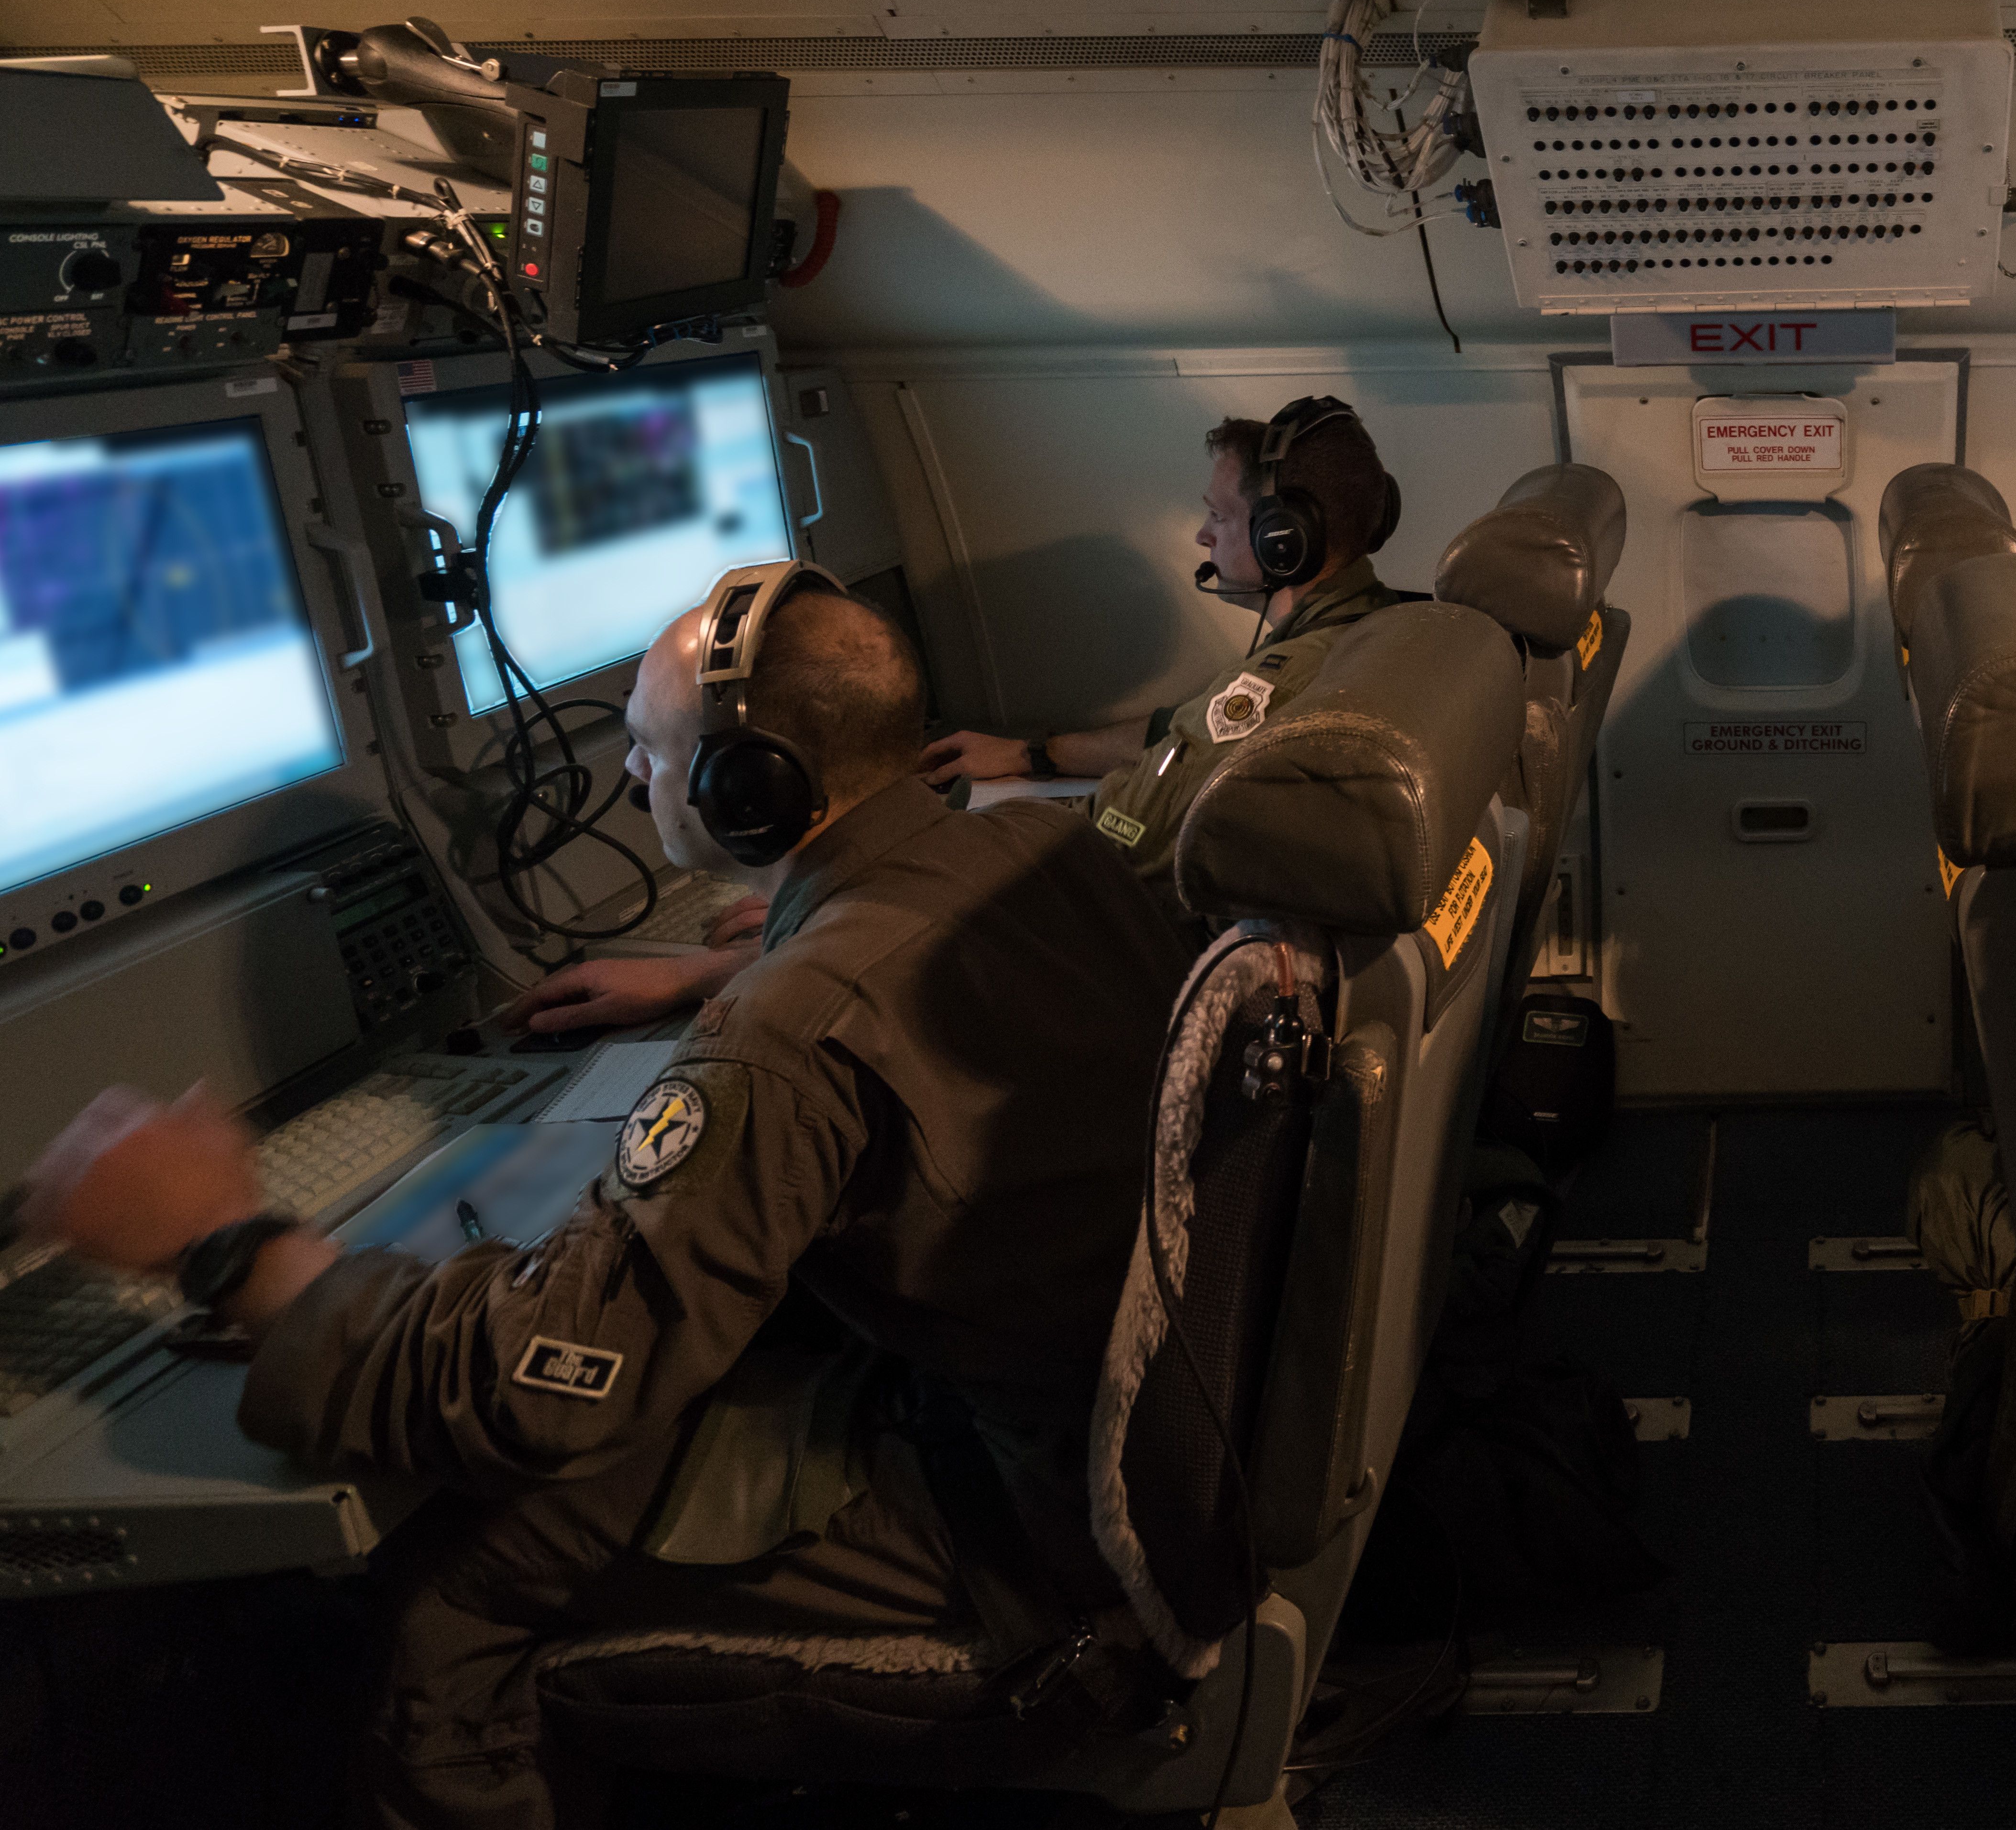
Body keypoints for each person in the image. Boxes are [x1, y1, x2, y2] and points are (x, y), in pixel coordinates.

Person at [15, 563, 1185, 1830]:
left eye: (648, 750)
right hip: (1146, 1446)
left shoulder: (792, 1036)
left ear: (756, 790)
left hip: (1037, 1545)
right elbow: (874, 979)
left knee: (446, 1609)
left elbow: (538, 1386)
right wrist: (727, 971)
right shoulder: (1030, 837)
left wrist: (225, 1243)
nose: (632, 779)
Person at [922, 397, 1416, 934]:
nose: (1203, 535)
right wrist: (1033, 753)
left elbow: (1113, 846)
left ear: (1282, 541)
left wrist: (944, 832)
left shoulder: (1283, 680)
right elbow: (1182, 728)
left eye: (1220, 515)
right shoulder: (1380, 618)